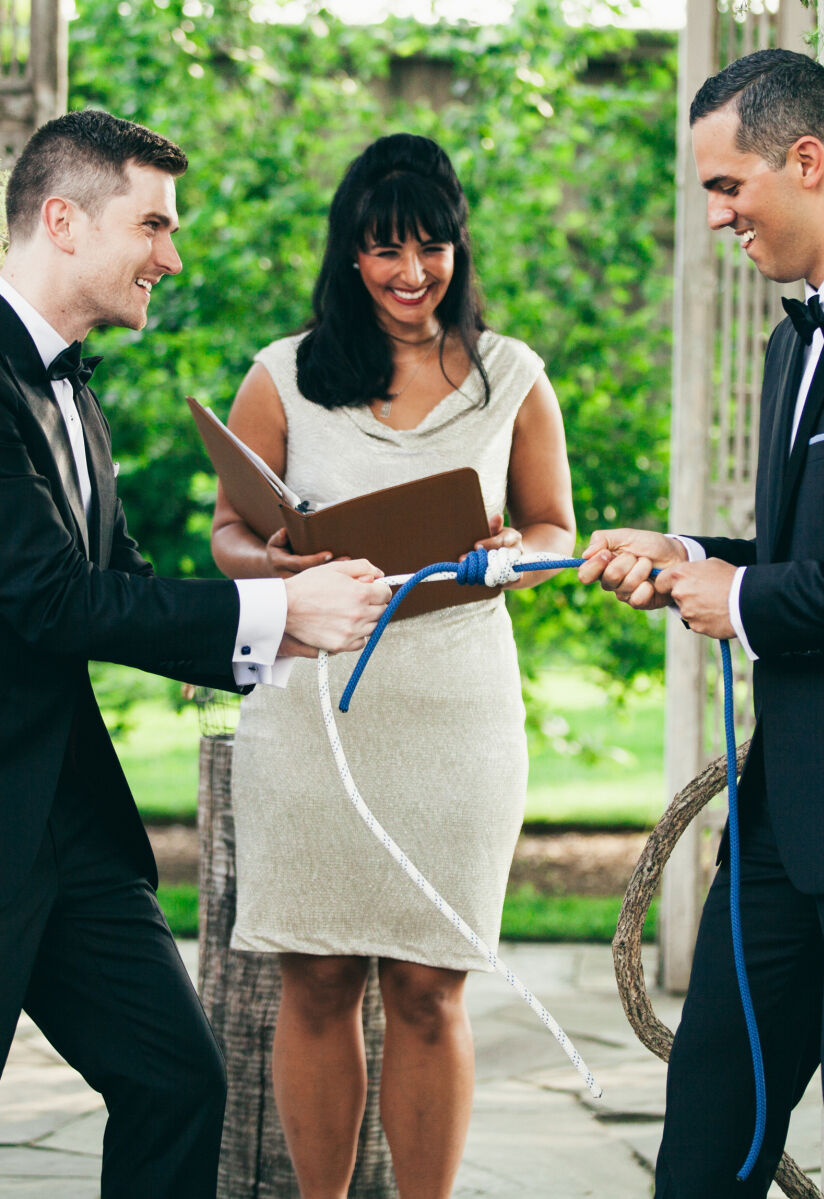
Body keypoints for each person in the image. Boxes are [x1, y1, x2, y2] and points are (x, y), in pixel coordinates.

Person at [0, 109, 391, 1199]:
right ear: (64, 220)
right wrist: (279, 617)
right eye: (155, 224)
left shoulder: (75, 390)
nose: (173, 256)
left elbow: (115, 584)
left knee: (177, 1079)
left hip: (63, 817)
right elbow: (44, 598)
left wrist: (288, 593)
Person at [211, 132, 575, 1199]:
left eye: (434, 247)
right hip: (316, 710)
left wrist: (519, 555)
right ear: (349, 254)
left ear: (461, 245)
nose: (413, 274)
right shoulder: (282, 374)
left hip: (456, 709)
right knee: (315, 975)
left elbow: (555, 525)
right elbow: (232, 530)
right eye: (386, 251)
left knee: (429, 984)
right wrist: (272, 557)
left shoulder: (511, 376)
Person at [578, 49, 824, 1198]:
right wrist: (693, 555)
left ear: (805, 159)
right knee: (704, 1141)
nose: (714, 217)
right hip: (782, 819)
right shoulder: (790, 343)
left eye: (725, 185)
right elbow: (816, 561)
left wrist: (741, 601)